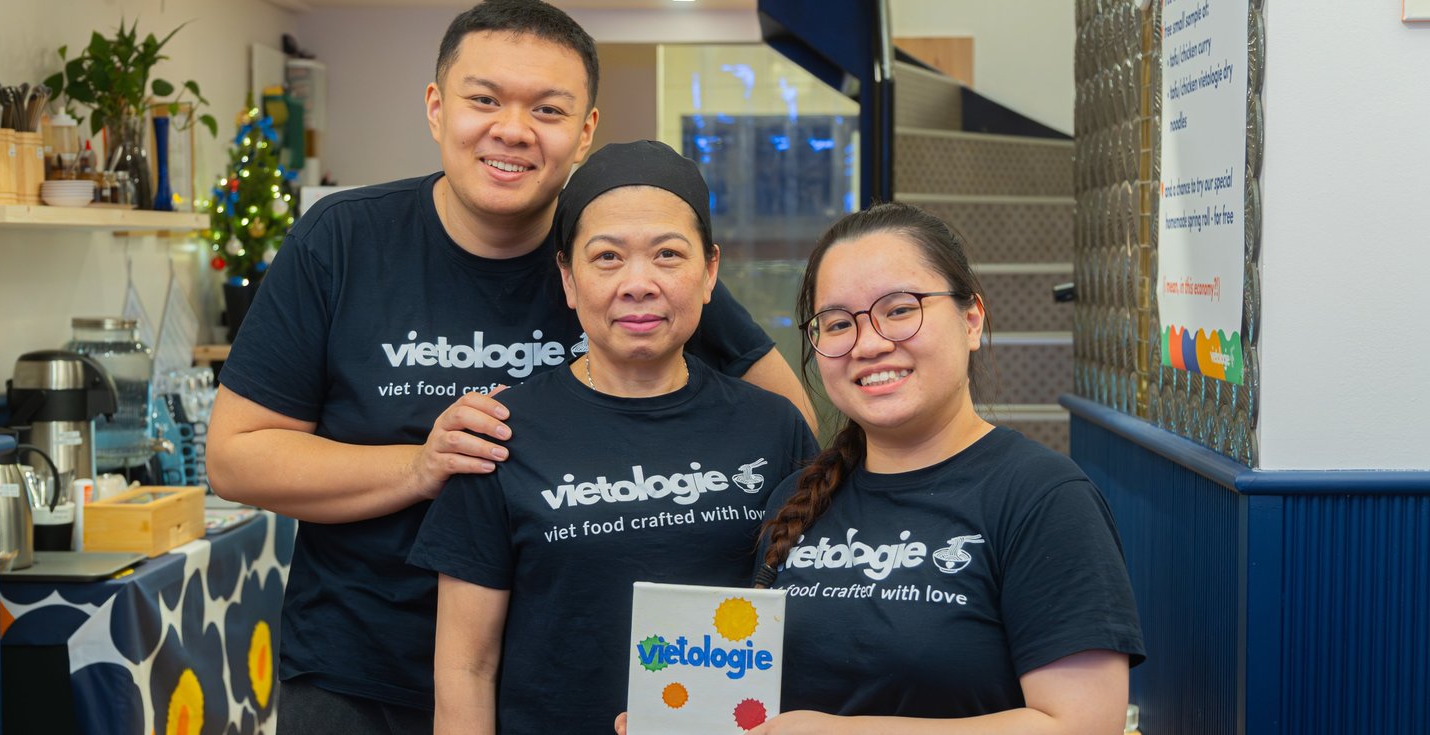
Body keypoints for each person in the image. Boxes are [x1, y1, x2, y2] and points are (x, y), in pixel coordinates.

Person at [205, 2, 813, 732]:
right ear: (438, 107)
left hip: (551, 673)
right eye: (485, 99)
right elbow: (235, 457)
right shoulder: (343, 241)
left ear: (585, 130)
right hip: (361, 665)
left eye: (548, 109)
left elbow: (783, 425)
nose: (513, 130)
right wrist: (420, 466)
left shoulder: (620, 254)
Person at [407, 139, 820, 735]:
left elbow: (813, 626)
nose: (638, 283)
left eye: (668, 255)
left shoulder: (773, 428)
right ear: (568, 279)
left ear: (709, 272)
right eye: (607, 257)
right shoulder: (499, 433)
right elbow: (466, 669)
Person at [744, 201, 1145, 733]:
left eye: (900, 309)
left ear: (971, 319)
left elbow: (1084, 725)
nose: (869, 344)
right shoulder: (796, 500)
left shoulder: (1045, 498)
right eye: (838, 323)